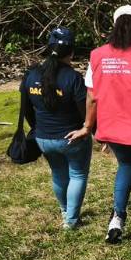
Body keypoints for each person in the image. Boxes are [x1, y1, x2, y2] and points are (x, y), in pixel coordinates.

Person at [68, 5, 131, 244]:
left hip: (113, 126)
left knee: (126, 167)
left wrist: (87, 126)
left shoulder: (97, 56)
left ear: (114, 25)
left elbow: (92, 97)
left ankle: (117, 218)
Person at [21, 27, 91, 230]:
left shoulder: (30, 75)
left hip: (44, 137)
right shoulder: (73, 78)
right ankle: (71, 220)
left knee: (58, 174)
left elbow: (26, 109)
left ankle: (64, 210)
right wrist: (86, 129)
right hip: (72, 137)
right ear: (71, 52)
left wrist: (37, 128)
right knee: (77, 175)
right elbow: (83, 111)